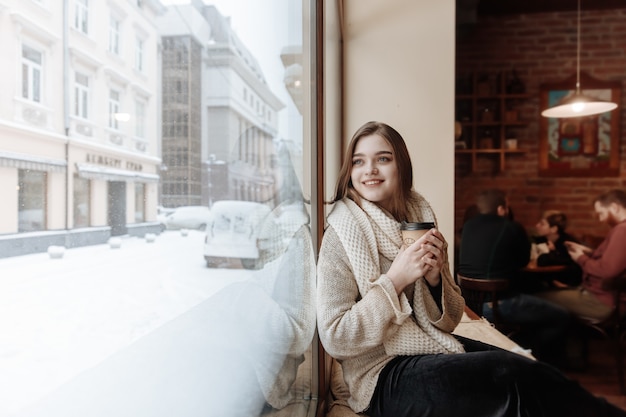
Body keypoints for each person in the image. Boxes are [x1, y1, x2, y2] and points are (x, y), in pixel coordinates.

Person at [316, 121, 626, 417]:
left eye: (382, 158)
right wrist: (395, 280)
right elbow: (335, 337)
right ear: (349, 170)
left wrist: (436, 280)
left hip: (426, 347)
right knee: (514, 377)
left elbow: (449, 321)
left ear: (401, 167)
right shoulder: (341, 235)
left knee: (527, 367)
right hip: (380, 376)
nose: (369, 169)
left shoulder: (419, 215)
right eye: (358, 161)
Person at [457, 188, 570, 364]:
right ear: (502, 209)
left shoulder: (468, 227)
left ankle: (519, 355)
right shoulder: (511, 227)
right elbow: (523, 261)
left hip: (470, 306)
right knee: (561, 316)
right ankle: (532, 360)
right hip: (500, 305)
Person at [536, 189, 626, 321]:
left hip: (602, 302)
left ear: (614, 207)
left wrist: (580, 258)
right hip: (606, 298)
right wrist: (587, 251)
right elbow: (615, 260)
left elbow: (607, 271)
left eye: (601, 213)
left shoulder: (621, 230)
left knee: (536, 299)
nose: (601, 219)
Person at [531, 210, 582, 288]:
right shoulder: (541, 240)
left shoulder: (568, 244)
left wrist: (553, 252)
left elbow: (574, 269)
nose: (537, 225)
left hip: (568, 285)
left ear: (554, 229)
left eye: (542, 224)